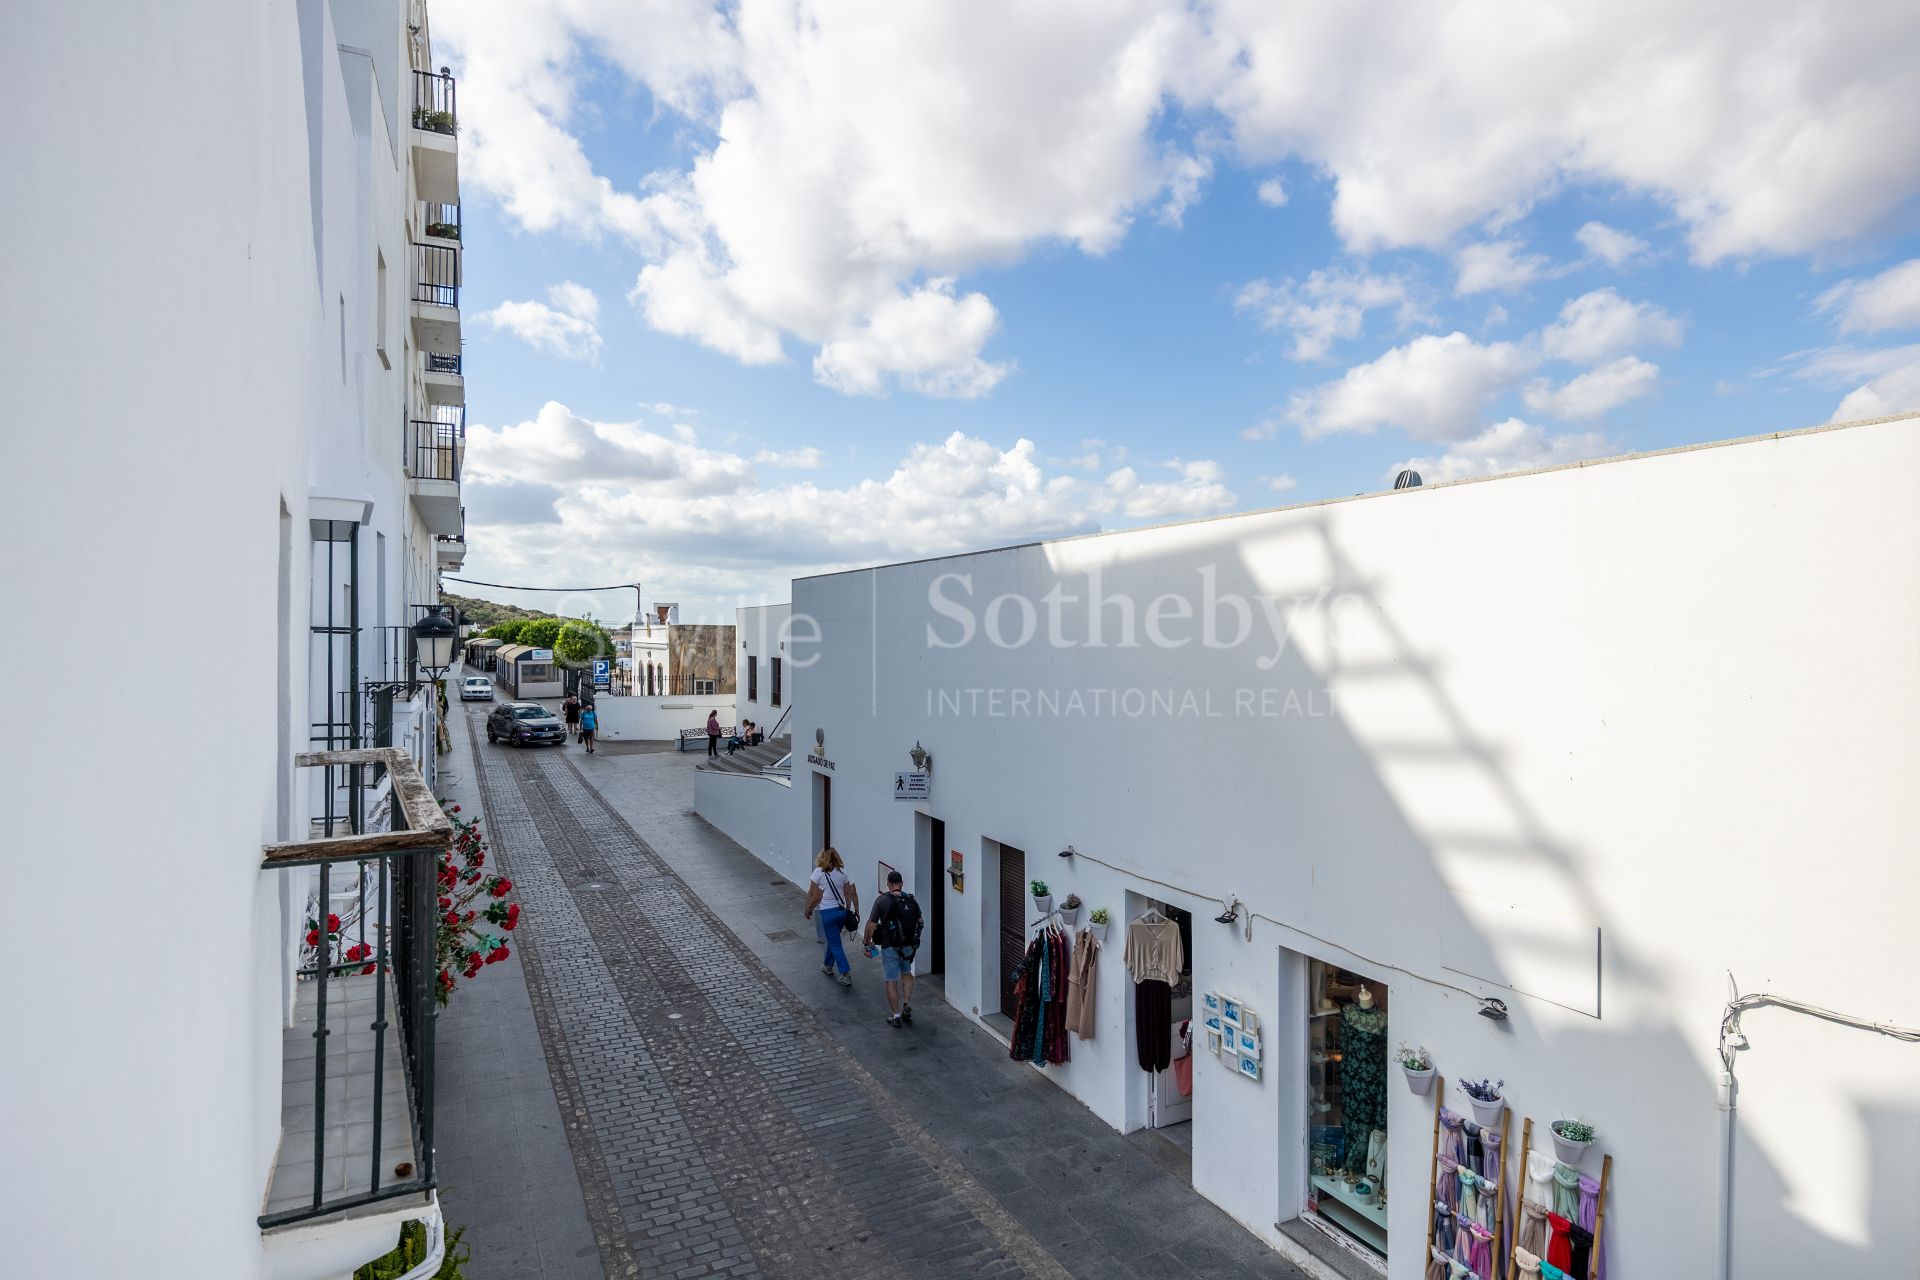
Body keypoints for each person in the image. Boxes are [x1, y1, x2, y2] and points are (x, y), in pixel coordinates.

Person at [862, 869, 922, 1028]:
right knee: (907, 973)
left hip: (890, 947)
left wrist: (867, 943)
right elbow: (920, 921)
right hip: (908, 946)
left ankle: (896, 1015)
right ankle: (907, 1003)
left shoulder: (882, 901)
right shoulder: (911, 901)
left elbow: (871, 925)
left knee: (891, 980)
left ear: (888, 884)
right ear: (901, 884)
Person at [802, 847, 857, 988]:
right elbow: (847, 893)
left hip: (827, 913)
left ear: (822, 857)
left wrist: (808, 908)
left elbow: (813, 894)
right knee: (834, 939)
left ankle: (845, 974)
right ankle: (827, 965)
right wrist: (848, 909)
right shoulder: (843, 872)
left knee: (835, 943)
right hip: (841, 912)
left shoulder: (818, 872)